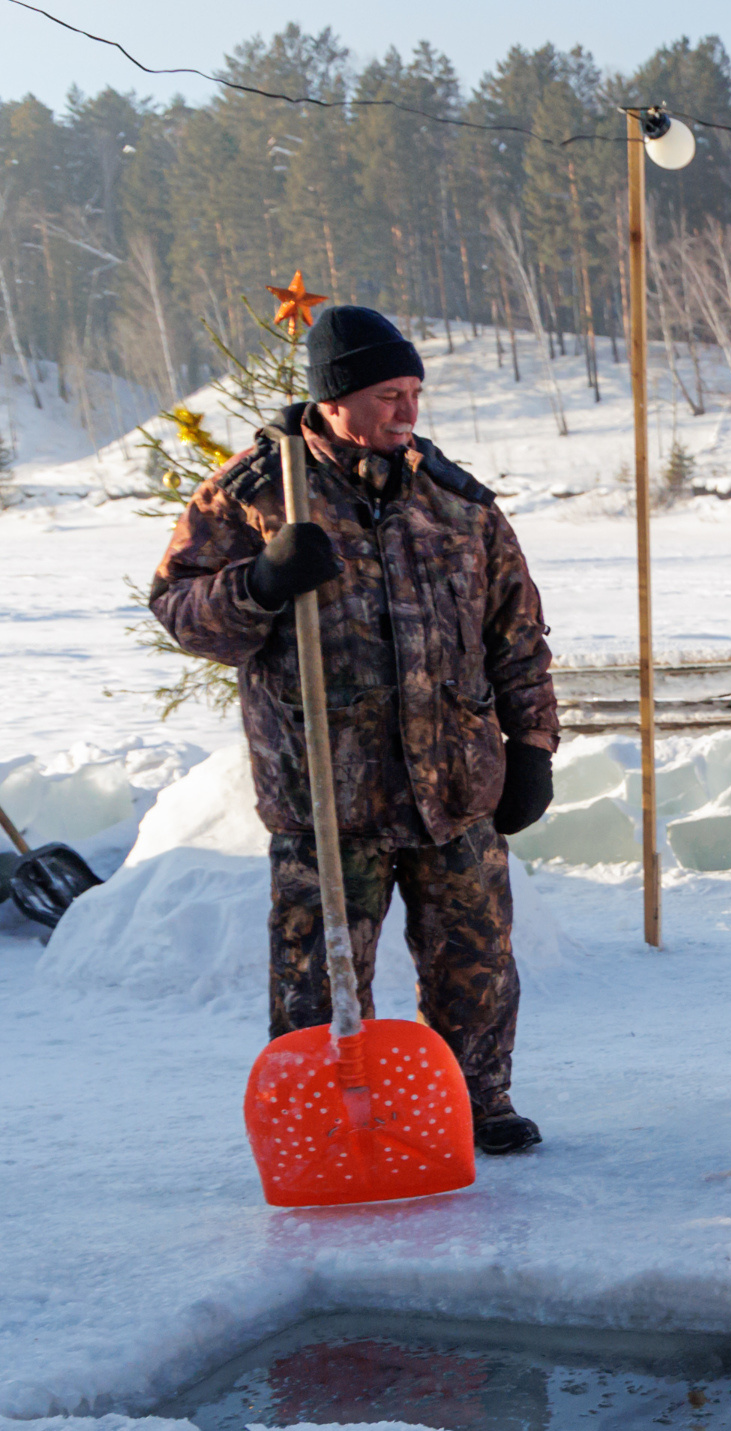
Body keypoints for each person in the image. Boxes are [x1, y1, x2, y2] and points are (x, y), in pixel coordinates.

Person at [151, 303, 561, 1155]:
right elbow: (181, 611)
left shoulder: (454, 499)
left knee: (476, 964)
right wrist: (259, 583)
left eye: (414, 392)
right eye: (388, 395)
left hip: (454, 788)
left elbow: (516, 633)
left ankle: (475, 1102)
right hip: (327, 794)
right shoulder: (256, 493)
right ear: (335, 398)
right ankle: (322, 1121)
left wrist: (532, 747)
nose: (408, 411)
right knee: (319, 980)